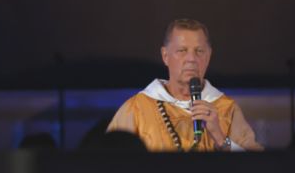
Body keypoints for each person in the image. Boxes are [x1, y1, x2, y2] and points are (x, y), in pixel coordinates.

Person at [107, 18, 261, 152]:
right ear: (165, 56)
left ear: (209, 56)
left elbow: (258, 168)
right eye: (182, 50)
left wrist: (220, 138)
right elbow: (108, 164)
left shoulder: (227, 109)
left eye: (199, 51)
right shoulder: (137, 109)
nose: (191, 59)